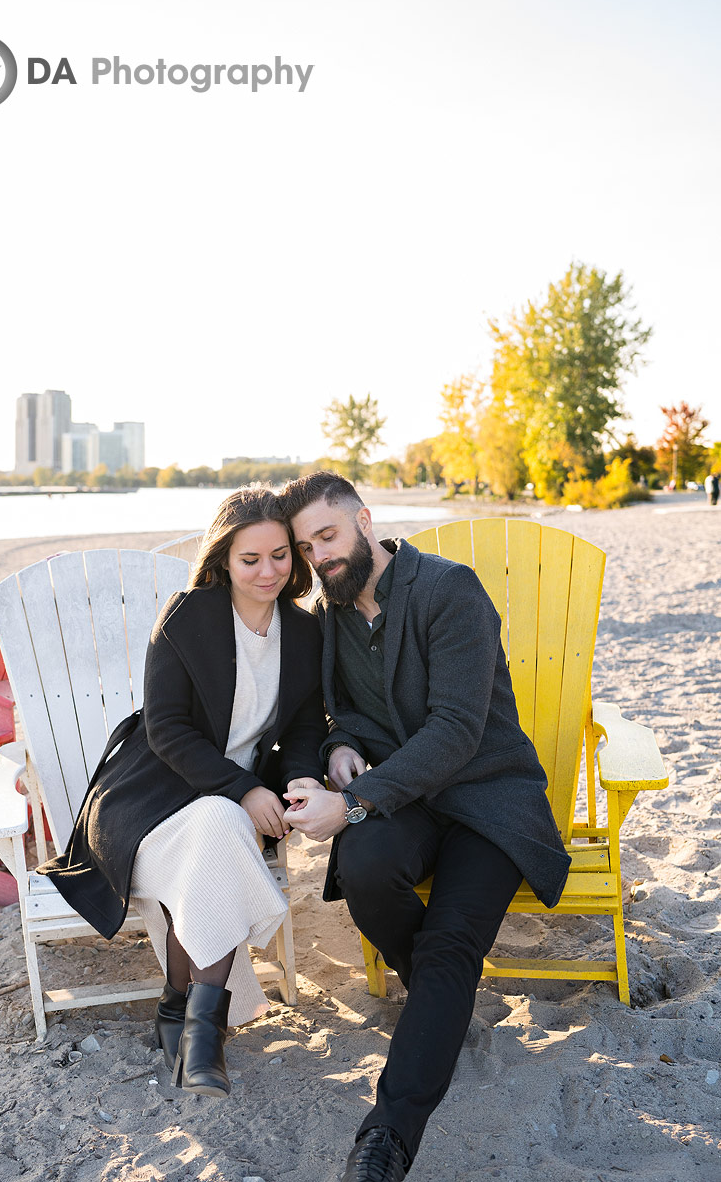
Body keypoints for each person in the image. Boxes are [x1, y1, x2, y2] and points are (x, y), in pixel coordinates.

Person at [278, 471, 571, 1182]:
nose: (319, 554)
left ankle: (387, 1137)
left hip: (486, 799)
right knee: (365, 870)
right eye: (304, 545)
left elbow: (455, 731)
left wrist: (349, 803)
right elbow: (336, 710)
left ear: (364, 520)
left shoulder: (448, 589)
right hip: (403, 801)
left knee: (448, 943)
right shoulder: (330, 613)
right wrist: (340, 745)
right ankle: (441, 1004)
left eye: (328, 534)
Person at [40, 487, 325, 1097]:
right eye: (251, 559)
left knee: (218, 832)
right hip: (147, 799)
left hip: (221, 806)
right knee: (221, 825)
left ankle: (186, 1014)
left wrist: (298, 782)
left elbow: (304, 727)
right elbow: (167, 730)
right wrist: (245, 789)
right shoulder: (186, 617)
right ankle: (200, 1028)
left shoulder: (304, 633)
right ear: (224, 559)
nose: (268, 571)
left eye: (280, 556)